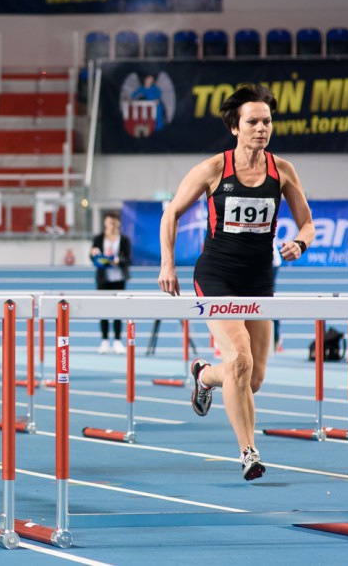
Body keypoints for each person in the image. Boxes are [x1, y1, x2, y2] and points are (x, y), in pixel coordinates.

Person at [157, 83, 314, 481]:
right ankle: (249, 452)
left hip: (259, 280)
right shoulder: (213, 169)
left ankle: (203, 374)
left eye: (267, 121)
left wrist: (299, 242)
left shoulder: (282, 171)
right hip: (216, 276)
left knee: (252, 379)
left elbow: (308, 224)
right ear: (235, 128)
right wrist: (167, 265)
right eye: (253, 122)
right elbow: (171, 213)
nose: (262, 128)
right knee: (239, 359)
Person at [89, 211, 131, 354]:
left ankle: (118, 340)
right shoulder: (98, 239)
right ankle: (105, 340)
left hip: (118, 278)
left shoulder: (124, 240)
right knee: (103, 309)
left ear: (118, 223)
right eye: (108, 223)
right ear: (105, 223)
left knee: (118, 309)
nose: (111, 226)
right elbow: (92, 257)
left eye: (113, 223)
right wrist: (93, 254)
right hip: (103, 278)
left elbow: (129, 259)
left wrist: (119, 260)